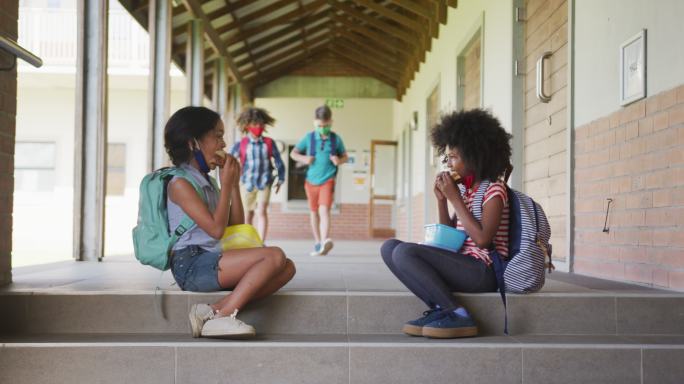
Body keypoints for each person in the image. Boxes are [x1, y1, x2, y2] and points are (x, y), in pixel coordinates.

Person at [164, 106, 296, 339]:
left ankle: (212, 311)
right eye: (217, 136)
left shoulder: (205, 180)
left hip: (209, 258)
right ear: (193, 142)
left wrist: (233, 184)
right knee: (274, 256)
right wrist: (225, 186)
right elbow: (215, 230)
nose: (223, 144)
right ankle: (224, 316)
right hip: (191, 264)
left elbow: (235, 226)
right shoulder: (180, 183)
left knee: (287, 268)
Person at [380, 109, 512, 338]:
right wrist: (442, 202)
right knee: (390, 248)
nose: (448, 163)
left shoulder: (494, 190)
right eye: (447, 157)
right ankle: (441, 309)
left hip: (485, 271)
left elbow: (483, 240)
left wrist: (454, 198)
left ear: (475, 156)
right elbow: (450, 239)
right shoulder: (467, 191)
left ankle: (458, 314)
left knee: (405, 252)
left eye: (454, 157)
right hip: (463, 264)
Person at [290, 105, 348, 256]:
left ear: (331, 122)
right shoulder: (309, 138)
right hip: (310, 181)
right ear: (315, 123)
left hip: (327, 179)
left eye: (326, 125)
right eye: (320, 125)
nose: (323, 128)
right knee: (314, 212)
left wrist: (338, 160)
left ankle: (324, 241)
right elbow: (293, 153)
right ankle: (317, 242)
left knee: (324, 210)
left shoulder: (336, 139)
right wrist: (304, 158)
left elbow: (345, 157)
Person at [229, 107, 285, 242]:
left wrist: (280, 179)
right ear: (247, 126)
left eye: (261, 124)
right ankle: (248, 241)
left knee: (262, 211)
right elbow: (229, 161)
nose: (258, 127)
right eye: (255, 124)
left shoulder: (269, 143)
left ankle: (261, 242)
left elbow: (279, 162)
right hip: (246, 183)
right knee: (248, 213)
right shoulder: (241, 144)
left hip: (265, 182)